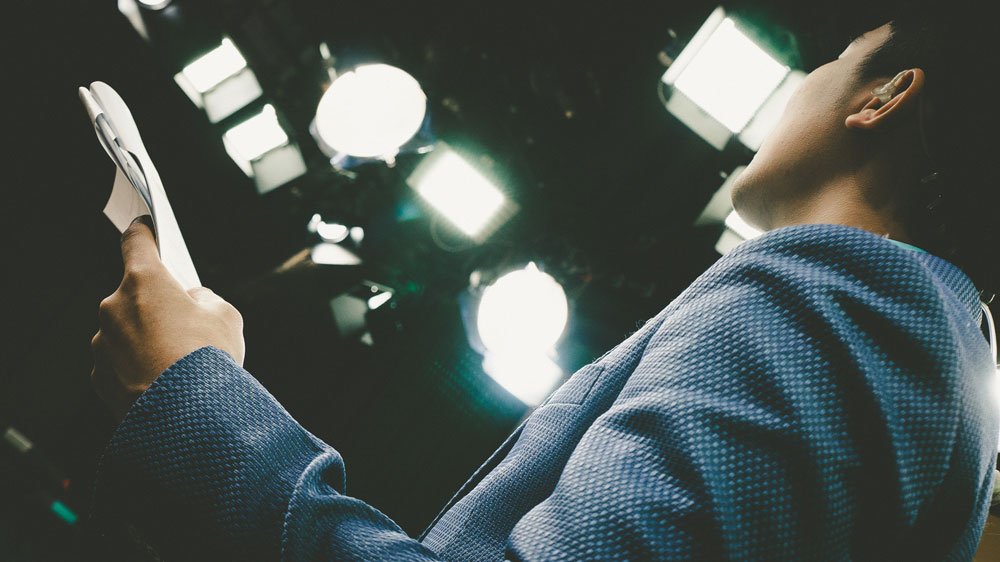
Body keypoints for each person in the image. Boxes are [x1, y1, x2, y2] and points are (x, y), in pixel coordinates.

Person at [89, 6, 1000, 562]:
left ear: (881, 98)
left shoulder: (833, 309)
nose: (803, 77)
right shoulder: (941, 388)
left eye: (836, 57)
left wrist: (194, 399)